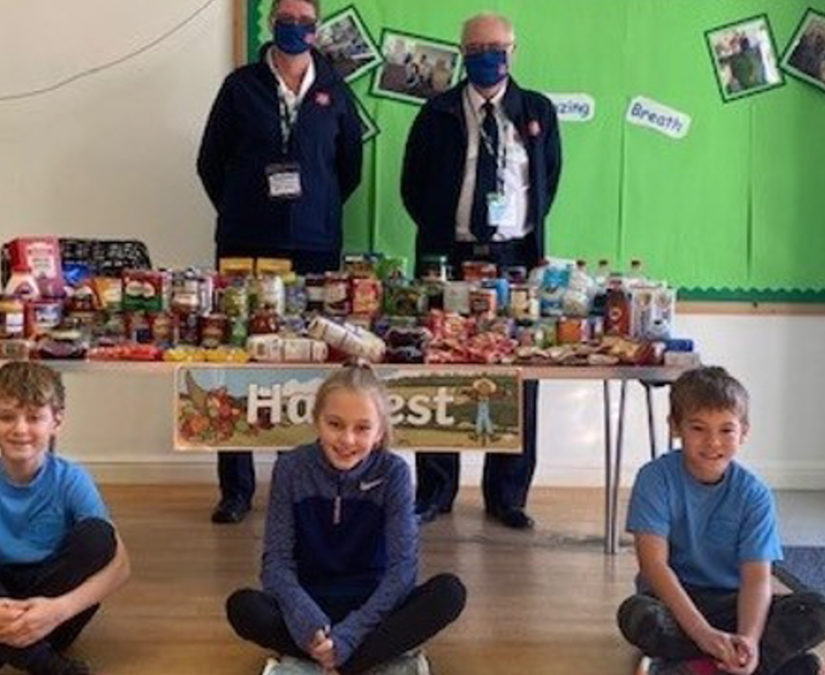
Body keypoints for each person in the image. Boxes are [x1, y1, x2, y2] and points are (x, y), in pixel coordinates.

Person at [197, 0, 364, 524]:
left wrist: (315, 208)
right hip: (246, 241)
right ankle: (236, 490)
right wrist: (243, 207)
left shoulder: (335, 88)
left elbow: (349, 169)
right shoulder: (240, 86)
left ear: (317, 28)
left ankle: (304, 482)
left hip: (315, 245)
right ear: (271, 24)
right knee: (236, 358)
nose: (295, 28)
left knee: (312, 361)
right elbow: (209, 162)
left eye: (304, 21)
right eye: (285, 19)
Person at [401, 12, 562, 529]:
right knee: (439, 370)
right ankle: (435, 491)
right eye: (475, 49)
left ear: (513, 51)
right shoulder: (436, 111)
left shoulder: (537, 110)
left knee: (519, 373)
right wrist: (444, 231)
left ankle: (507, 496)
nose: (487, 57)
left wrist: (514, 232)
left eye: (497, 48)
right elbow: (412, 186)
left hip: (514, 260)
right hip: (448, 257)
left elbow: (547, 182)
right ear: (461, 53)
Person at [225, 364, 467, 675]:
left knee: (449, 593)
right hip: (310, 604)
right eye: (335, 424)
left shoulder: (394, 473)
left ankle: (330, 659)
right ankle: (356, 657)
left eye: (362, 428)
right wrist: (307, 622)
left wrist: (350, 635)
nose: (347, 439)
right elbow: (276, 564)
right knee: (243, 607)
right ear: (317, 420)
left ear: (379, 433)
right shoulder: (291, 469)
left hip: (375, 606)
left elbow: (402, 572)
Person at [617, 367, 825, 675]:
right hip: (675, 601)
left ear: (743, 432)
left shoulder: (754, 493)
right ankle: (767, 665)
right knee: (636, 615)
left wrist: (749, 639)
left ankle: (707, 666)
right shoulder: (654, 478)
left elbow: (756, 578)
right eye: (698, 428)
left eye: (726, 430)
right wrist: (703, 633)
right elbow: (654, 566)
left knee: (824, 610)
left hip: (735, 603)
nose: (713, 442)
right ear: (675, 426)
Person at [0, 362, 131, 675]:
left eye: (34, 417)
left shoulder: (72, 480)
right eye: (6, 417)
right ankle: (52, 667)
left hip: (51, 615)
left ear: (56, 421)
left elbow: (120, 565)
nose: (20, 429)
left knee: (97, 535)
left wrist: (59, 610)